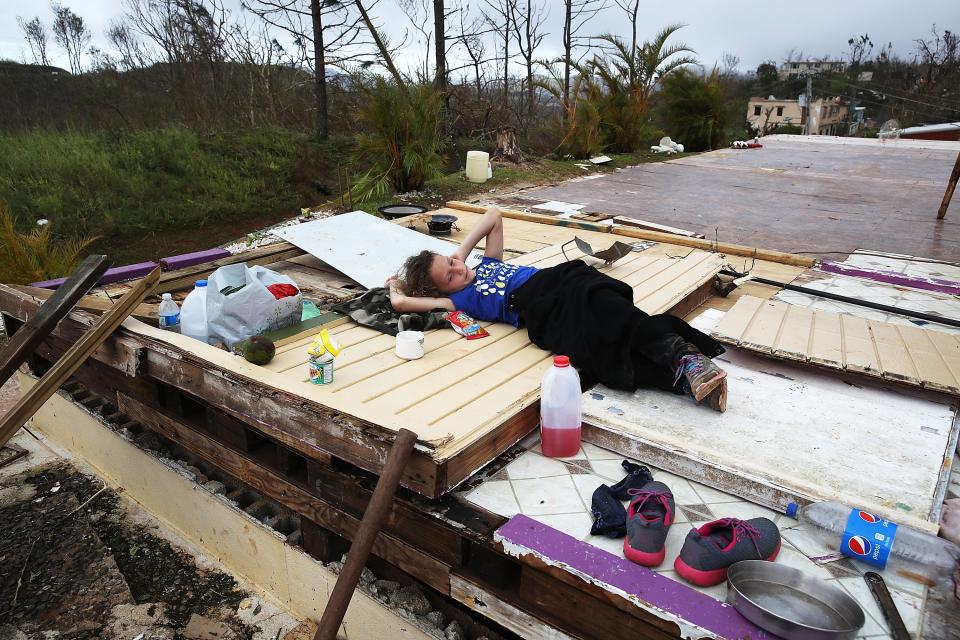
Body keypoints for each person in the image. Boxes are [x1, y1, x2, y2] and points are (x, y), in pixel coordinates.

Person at [387, 207, 728, 411]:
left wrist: (459, 251)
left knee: (611, 311)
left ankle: (684, 357)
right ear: (442, 290)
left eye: (452, 262)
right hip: (539, 311)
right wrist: (393, 285)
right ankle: (683, 379)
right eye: (449, 275)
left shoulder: (485, 261)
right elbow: (401, 303)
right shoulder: (457, 300)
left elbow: (493, 216)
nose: (457, 270)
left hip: (561, 281)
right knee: (594, 352)